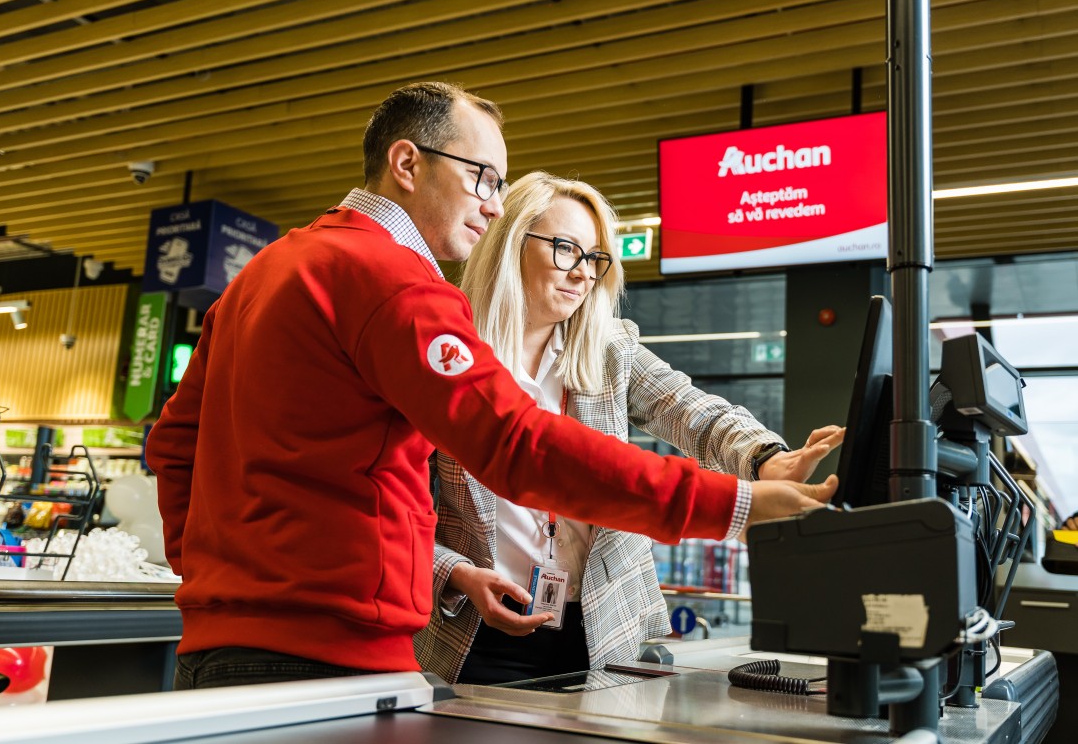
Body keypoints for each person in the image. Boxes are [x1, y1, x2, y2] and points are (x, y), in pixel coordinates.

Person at [145, 82, 838, 690]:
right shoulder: (394, 286)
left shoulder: (267, 272)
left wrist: (221, 582)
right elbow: (519, 445)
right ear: (407, 163)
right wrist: (736, 507)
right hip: (336, 651)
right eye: (481, 176)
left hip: (225, 646)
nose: (491, 202)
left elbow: (174, 446)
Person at [414, 172, 844, 684]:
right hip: (476, 633)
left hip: (605, 630)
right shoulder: (447, 357)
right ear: (510, 244)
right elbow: (404, 508)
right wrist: (455, 572)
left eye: (594, 259)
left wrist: (766, 458)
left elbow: (691, 410)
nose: (583, 274)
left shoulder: (607, 350)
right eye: (565, 249)